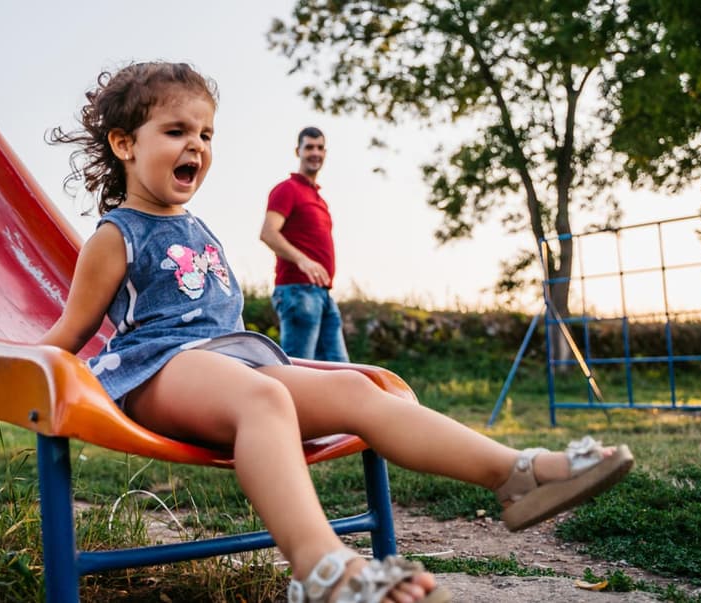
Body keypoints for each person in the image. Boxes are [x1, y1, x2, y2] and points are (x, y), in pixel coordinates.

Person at [40, 61, 634, 603]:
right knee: (264, 395)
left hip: (230, 366)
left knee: (356, 389)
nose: (196, 144)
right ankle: (322, 569)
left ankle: (514, 474)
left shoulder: (196, 226)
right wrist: (20, 370)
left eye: (206, 134)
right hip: (158, 372)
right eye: (176, 131)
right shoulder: (115, 237)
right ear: (124, 144)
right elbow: (73, 329)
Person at [260, 127, 349, 362]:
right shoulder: (287, 189)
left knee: (341, 370)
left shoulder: (319, 199)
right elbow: (268, 233)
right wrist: (303, 260)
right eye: (309, 147)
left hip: (323, 294)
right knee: (299, 369)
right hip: (298, 291)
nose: (315, 153)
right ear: (297, 151)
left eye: (320, 148)